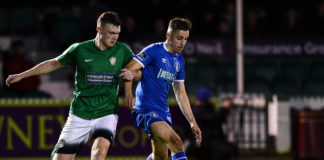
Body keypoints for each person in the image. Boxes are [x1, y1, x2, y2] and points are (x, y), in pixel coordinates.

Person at [6, 11, 138, 160]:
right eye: (111, 33)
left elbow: (136, 71)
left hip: (106, 111)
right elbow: (54, 63)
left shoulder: (122, 50)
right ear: (99, 30)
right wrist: (21, 75)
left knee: (100, 150)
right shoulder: (80, 49)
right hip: (80, 112)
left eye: (117, 33)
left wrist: (130, 85)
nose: (115, 37)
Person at [120, 17, 202, 160]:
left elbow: (181, 93)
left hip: (163, 112)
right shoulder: (154, 50)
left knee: (160, 157)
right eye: (179, 38)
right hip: (145, 109)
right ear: (168, 36)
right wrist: (128, 94)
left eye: (186, 39)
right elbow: (128, 69)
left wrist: (192, 122)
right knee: (176, 143)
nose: (183, 43)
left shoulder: (179, 61)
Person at [186, 88, 238, 160]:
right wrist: (224, 108)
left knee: (232, 149)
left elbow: (217, 120)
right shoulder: (197, 110)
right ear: (205, 99)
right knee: (224, 151)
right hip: (202, 144)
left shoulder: (207, 108)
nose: (212, 100)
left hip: (210, 142)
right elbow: (213, 119)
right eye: (209, 98)